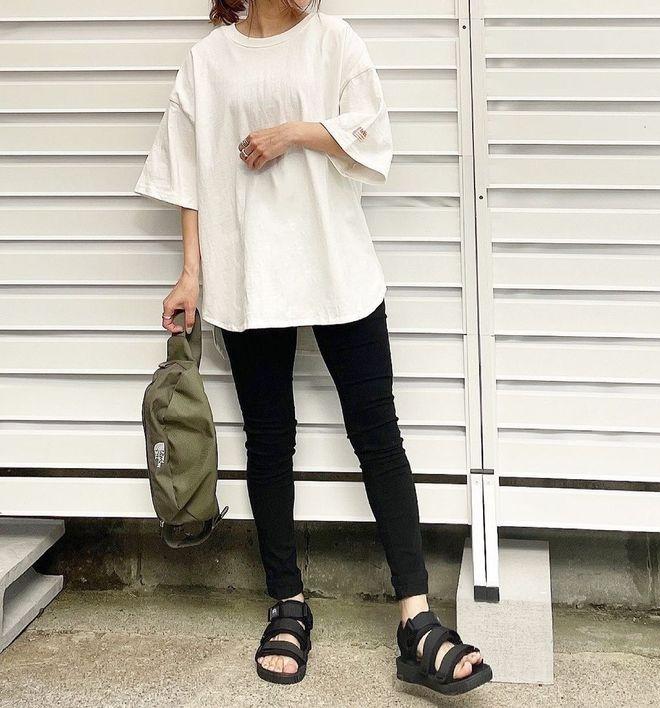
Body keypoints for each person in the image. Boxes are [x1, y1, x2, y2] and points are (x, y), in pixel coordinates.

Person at [134, 0, 492, 695]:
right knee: (270, 441)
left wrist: (294, 133)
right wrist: (191, 274)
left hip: (335, 266)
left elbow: (371, 133)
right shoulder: (209, 61)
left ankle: (416, 619)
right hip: (248, 273)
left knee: (378, 436)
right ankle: (287, 603)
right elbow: (187, 176)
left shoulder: (332, 40)